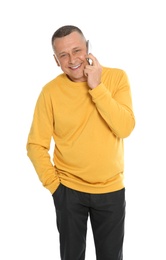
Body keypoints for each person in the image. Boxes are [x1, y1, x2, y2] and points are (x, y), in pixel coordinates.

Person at [26, 25, 135, 260]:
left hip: (110, 190)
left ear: (88, 48)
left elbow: (125, 128)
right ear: (56, 60)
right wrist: (55, 187)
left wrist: (97, 86)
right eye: (63, 55)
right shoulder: (50, 92)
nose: (72, 59)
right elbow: (35, 145)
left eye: (76, 50)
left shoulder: (116, 78)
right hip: (69, 191)